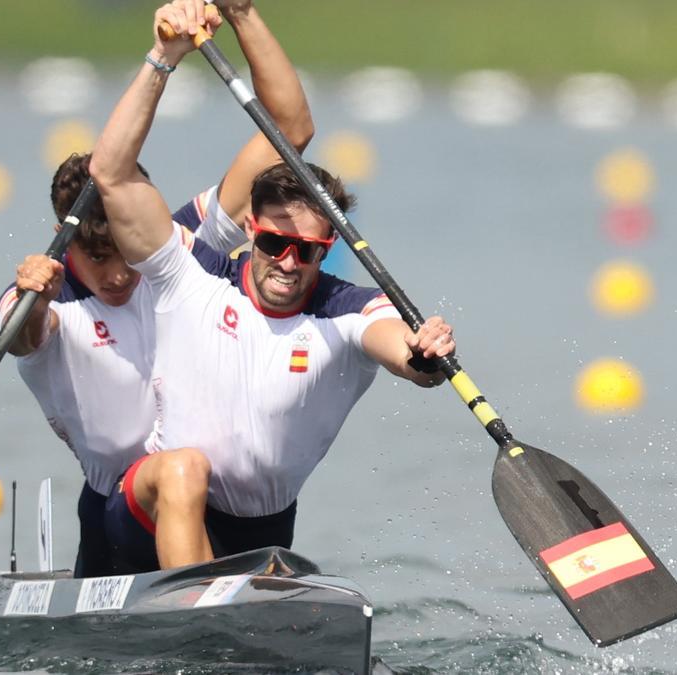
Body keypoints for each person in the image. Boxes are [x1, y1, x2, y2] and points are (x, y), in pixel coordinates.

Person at [89, 0, 457, 571]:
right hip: (149, 510)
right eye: (271, 244)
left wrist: (424, 354)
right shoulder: (189, 268)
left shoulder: (347, 311)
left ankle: (215, 611)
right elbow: (110, 174)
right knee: (186, 468)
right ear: (248, 231)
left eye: (307, 251)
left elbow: (402, 351)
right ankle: (201, 618)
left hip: (257, 534)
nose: (287, 262)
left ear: (327, 249)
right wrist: (163, 58)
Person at [0, 0, 315, 577]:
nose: (119, 275)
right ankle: (200, 616)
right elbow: (22, 340)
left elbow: (290, 131)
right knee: (181, 467)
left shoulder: (178, 248)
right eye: (96, 258)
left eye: (127, 255)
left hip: (229, 510)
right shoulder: (46, 294)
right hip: (124, 517)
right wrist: (34, 295)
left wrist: (242, 13)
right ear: (62, 244)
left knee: (194, 469)